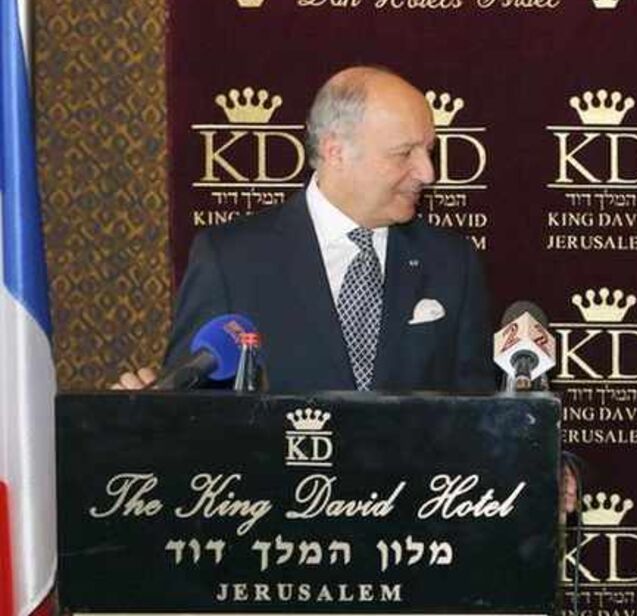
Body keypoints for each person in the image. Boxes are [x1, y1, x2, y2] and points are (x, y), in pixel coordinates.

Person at [115, 66, 493, 393]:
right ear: (335, 151)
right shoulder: (230, 259)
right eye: (404, 153)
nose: (428, 173)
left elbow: (478, 420)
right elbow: (193, 412)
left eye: (428, 151)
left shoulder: (451, 263)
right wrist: (150, 411)